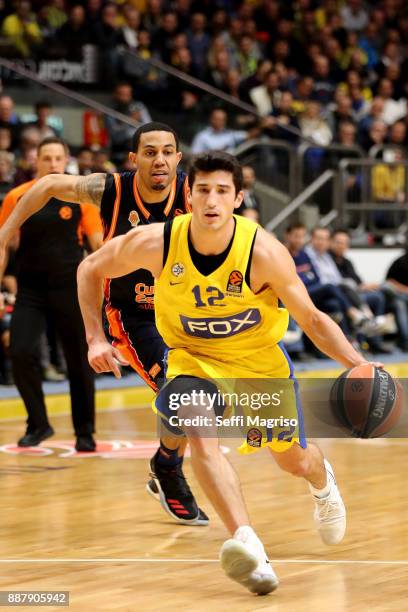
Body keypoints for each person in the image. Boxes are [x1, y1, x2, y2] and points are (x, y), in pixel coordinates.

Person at [76, 151, 379, 595]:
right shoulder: (156, 242)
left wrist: (357, 363)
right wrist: (94, 338)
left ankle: (322, 479)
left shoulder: (264, 252)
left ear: (237, 198)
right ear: (189, 196)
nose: (211, 200)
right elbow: (89, 268)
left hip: (257, 363)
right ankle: (247, 541)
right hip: (192, 357)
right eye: (202, 190)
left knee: (292, 459)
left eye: (222, 191)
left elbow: (312, 319)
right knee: (199, 430)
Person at [0, 122, 207, 527]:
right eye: (150, 152)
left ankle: (165, 460)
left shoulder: (194, 192)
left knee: (201, 398)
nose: (159, 159)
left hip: (185, 313)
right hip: (133, 315)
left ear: (179, 159)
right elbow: (46, 186)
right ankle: (169, 470)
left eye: (168, 151)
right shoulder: (110, 189)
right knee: (181, 391)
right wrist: (6, 232)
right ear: (134, 159)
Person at [0, 137, 103, 451]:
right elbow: (3, 243)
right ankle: (39, 423)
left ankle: (84, 431)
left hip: (71, 287)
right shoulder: (18, 196)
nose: (53, 164)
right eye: (47, 158)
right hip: (31, 289)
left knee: (79, 360)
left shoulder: (82, 198)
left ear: (67, 160)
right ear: (36, 161)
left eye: (58, 158)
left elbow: (98, 246)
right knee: (19, 351)